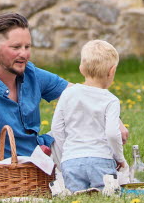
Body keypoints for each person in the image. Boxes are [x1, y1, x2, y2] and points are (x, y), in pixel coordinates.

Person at [0, 13, 129, 187]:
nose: (23, 54)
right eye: (15, 47)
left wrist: (115, 120)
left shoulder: (30, 73)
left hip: (42, 154)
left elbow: (77, 93)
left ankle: (107, 175)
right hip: (10, 170)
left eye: (27, 47)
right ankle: (99, 179)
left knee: (92, 131)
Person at [49, 40, 126, 193]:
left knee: (76, 199)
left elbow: (56, 128)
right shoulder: (111, 100)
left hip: (71, 161)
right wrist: (120, 158)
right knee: (106, 197)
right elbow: (112, 133)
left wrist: (68, 151)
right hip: (101, 160)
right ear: (112, 71)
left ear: (81, 69)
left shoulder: (67, 94)